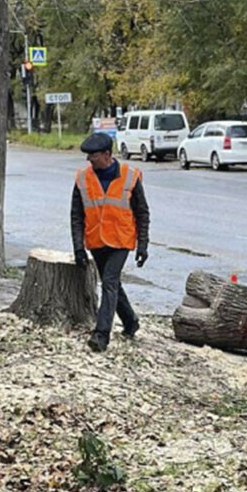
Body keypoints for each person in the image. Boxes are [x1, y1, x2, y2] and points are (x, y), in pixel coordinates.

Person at [71, 132, 150, 352]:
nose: (89, 160)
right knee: (112, 283)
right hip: (96, 241)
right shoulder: (82, 178)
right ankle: (130, 321)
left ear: (107, 154)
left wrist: (143, 244)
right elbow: (76, 216)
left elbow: (142, 212)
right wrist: (78, 247)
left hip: (121, 240)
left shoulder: (130, 176)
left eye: (93, 155)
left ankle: (101, 334)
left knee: (109, 281)